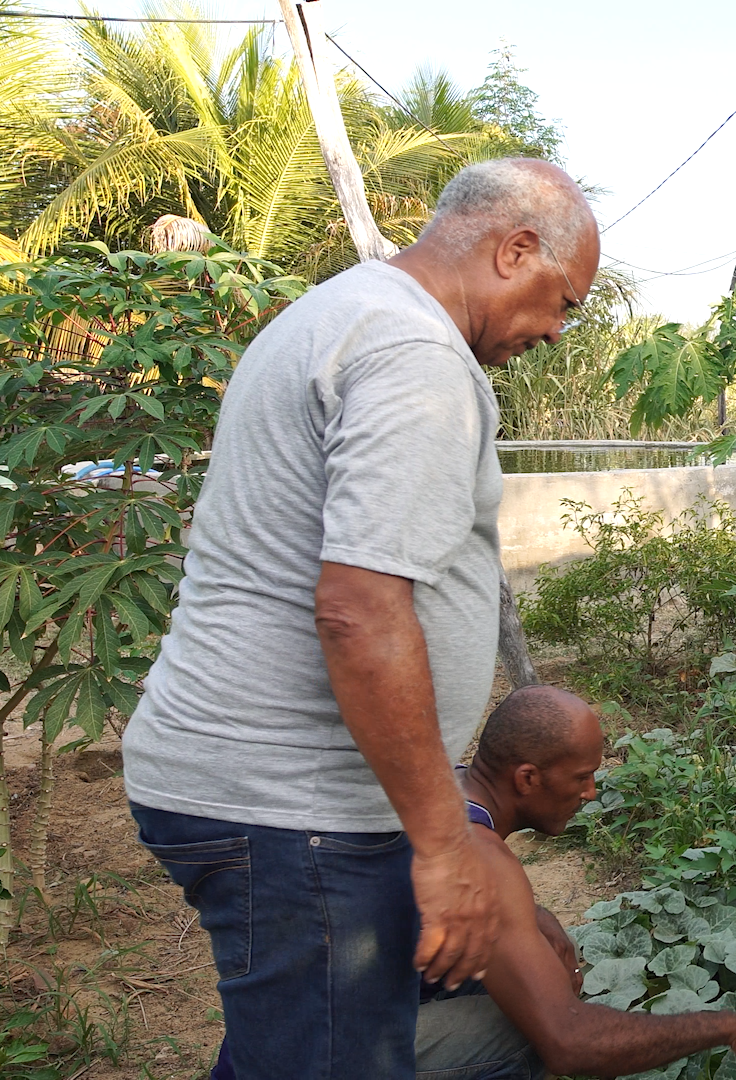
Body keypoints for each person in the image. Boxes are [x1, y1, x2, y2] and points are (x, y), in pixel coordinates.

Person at [120, 158, 600, 1078]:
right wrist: (442, 841)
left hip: (269, 794)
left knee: (298, 1046)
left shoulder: (341, 314)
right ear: (515, 249)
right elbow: (359, 611)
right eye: (562, 303)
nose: (554, 331)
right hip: (294, 808)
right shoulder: (415, 354)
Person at [208, 685, 736, 1080]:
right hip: (309, 1060)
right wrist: (733, 1026)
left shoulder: (440, 789)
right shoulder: (479, 857)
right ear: (527, 777)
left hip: (270, 1040)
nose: (591, 792)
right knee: (527, 1028)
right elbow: (570, 1044)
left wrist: (536, 915)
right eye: (581, 777)